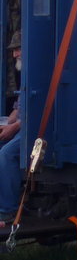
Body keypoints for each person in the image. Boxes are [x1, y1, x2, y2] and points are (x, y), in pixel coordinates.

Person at [0, 32, 23, 225]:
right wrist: (7, 123)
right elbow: (19, 106)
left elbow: (41, 110)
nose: (15, 54)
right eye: (14, 50)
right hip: (20, 126)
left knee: (7, 154)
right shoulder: (27, 71)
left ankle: (8, 209)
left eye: (18, 49)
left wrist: (14, 127)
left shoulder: (41, 71)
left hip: (35, 130)